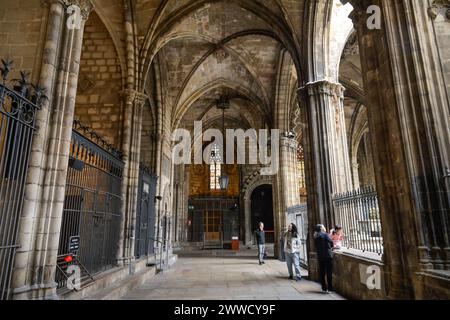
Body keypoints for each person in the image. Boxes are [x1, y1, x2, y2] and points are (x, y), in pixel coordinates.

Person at [314, 224, 334, 294]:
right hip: (328, 256)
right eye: (323, 227)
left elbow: (316, 246)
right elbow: (331, 242)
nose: (324, 227)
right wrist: (330, 247)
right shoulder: (325, 234)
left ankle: (324, 288)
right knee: (329, 273)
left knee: (322, 273)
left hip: (320, 256)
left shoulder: (316, 236)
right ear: (321, 228)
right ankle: (330, 289)